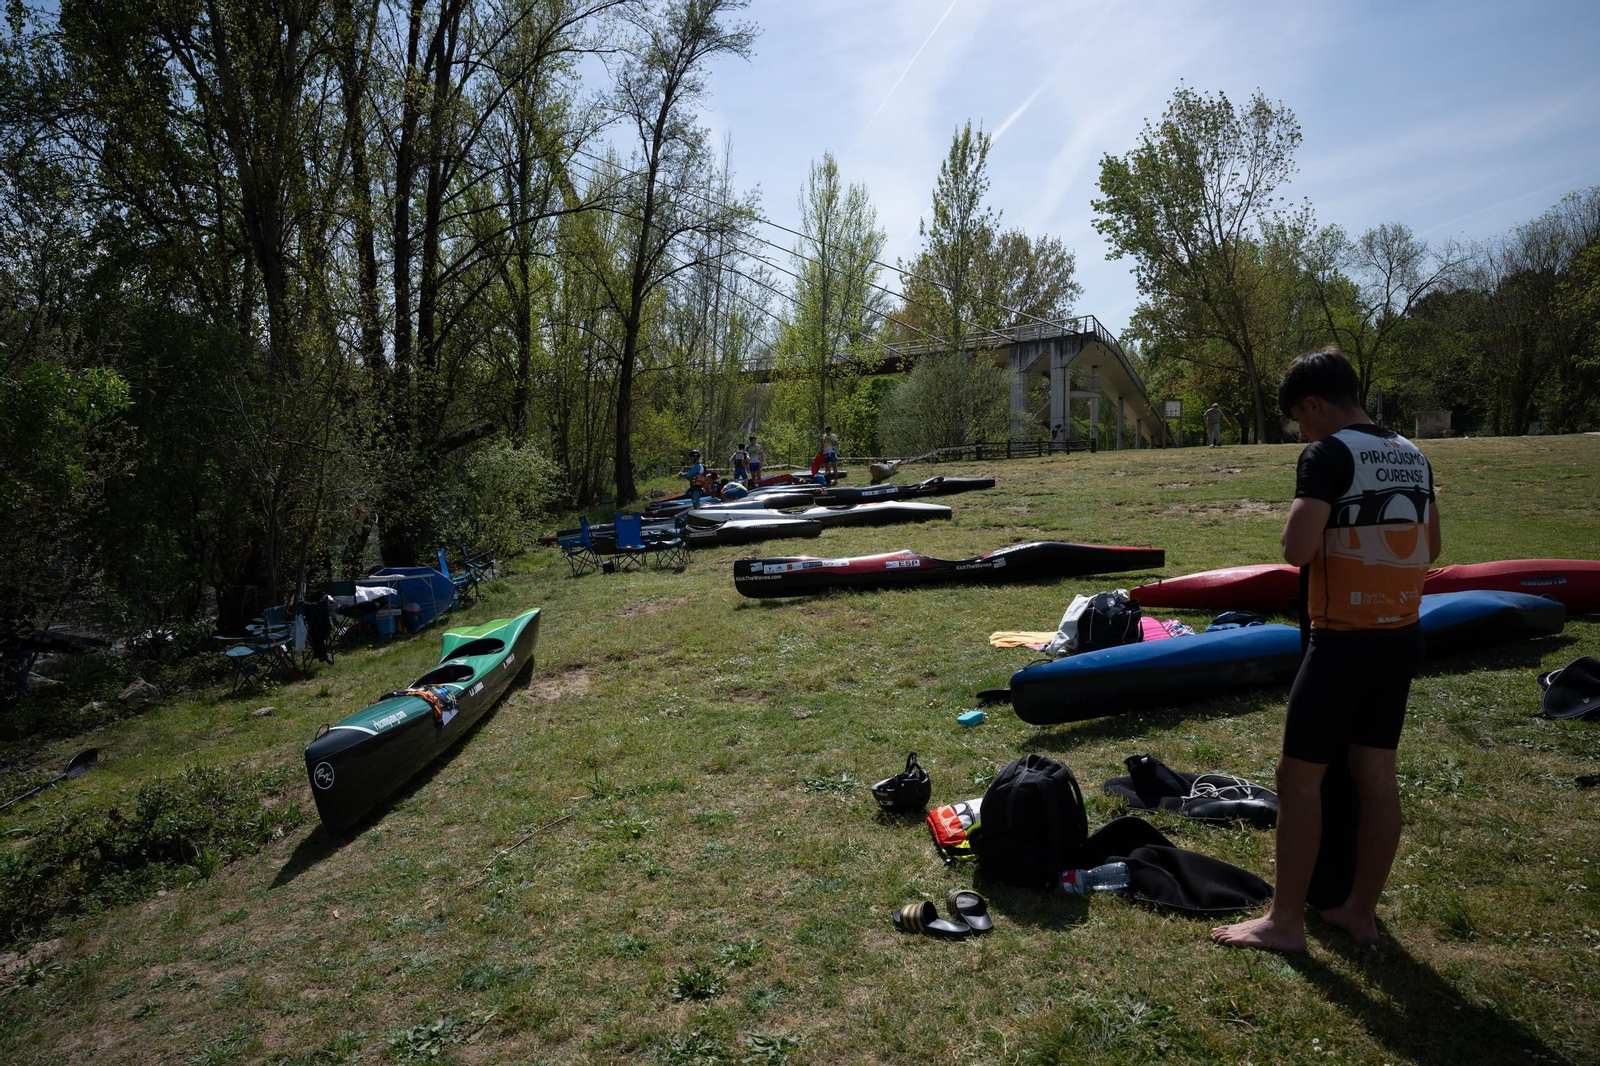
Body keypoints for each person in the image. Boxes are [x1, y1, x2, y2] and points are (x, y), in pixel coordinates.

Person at [1212, 347, 1440, 953]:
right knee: (1376, 773)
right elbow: (1432, 543)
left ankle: (1285, 922)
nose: (1301, 432)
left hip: (1342, 638)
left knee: (1297, 778)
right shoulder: (1412, 455)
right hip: (1402, 634)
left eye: (1298, 419)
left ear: (1314, 404)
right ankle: (1359, 912)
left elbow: (1296, 548)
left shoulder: (1327, 453)